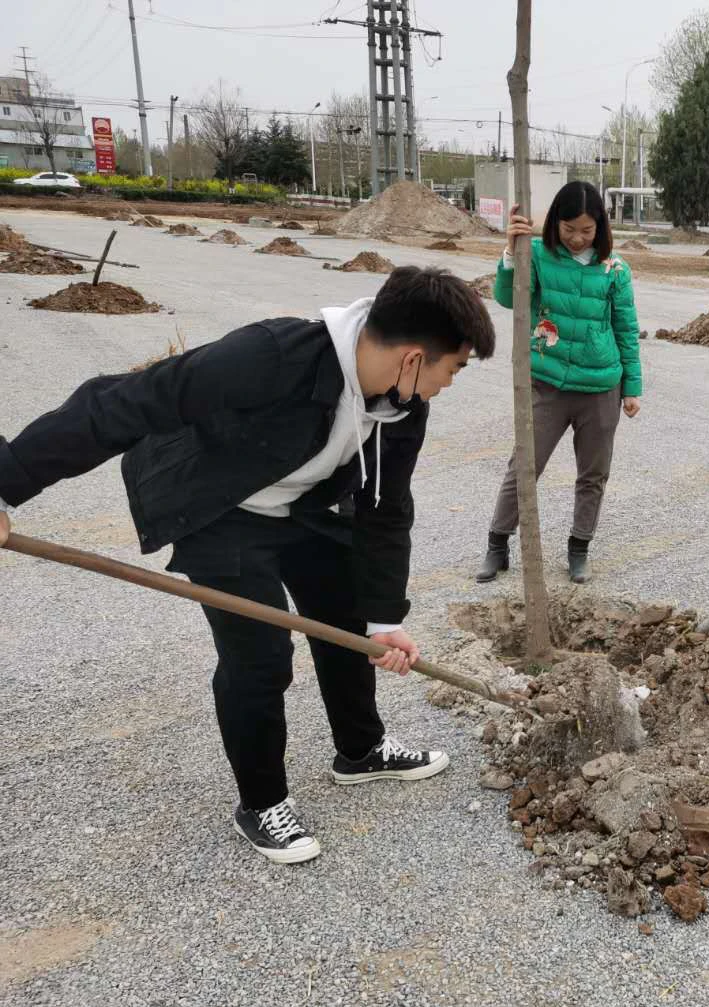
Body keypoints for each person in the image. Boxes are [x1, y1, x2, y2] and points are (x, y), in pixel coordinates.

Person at [0, 266, 496, 864]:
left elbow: (386, 509)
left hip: (299, 505)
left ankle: (360, 752)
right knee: (259, 656)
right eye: (453, 369)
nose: (447, 385)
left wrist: (383, 618)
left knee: (346, 612)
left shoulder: (402, 404)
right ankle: (260, 801)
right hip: (219, 506)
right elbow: (120, 403)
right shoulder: (271, 356)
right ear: (415, 358)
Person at [477, 180, 641, 586]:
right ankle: (497, 545)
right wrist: (509, 254)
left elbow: (626, 328)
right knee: (524, 466)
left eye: (587, 231)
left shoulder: (615, 269)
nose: (577, 238)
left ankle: (579, 549)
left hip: (601, 386)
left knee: (593, 474)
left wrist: (632, 387)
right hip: (547, 381)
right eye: (569, 229)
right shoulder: (535, 254)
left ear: (600, 227)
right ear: (555, 224)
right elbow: (507, 298)